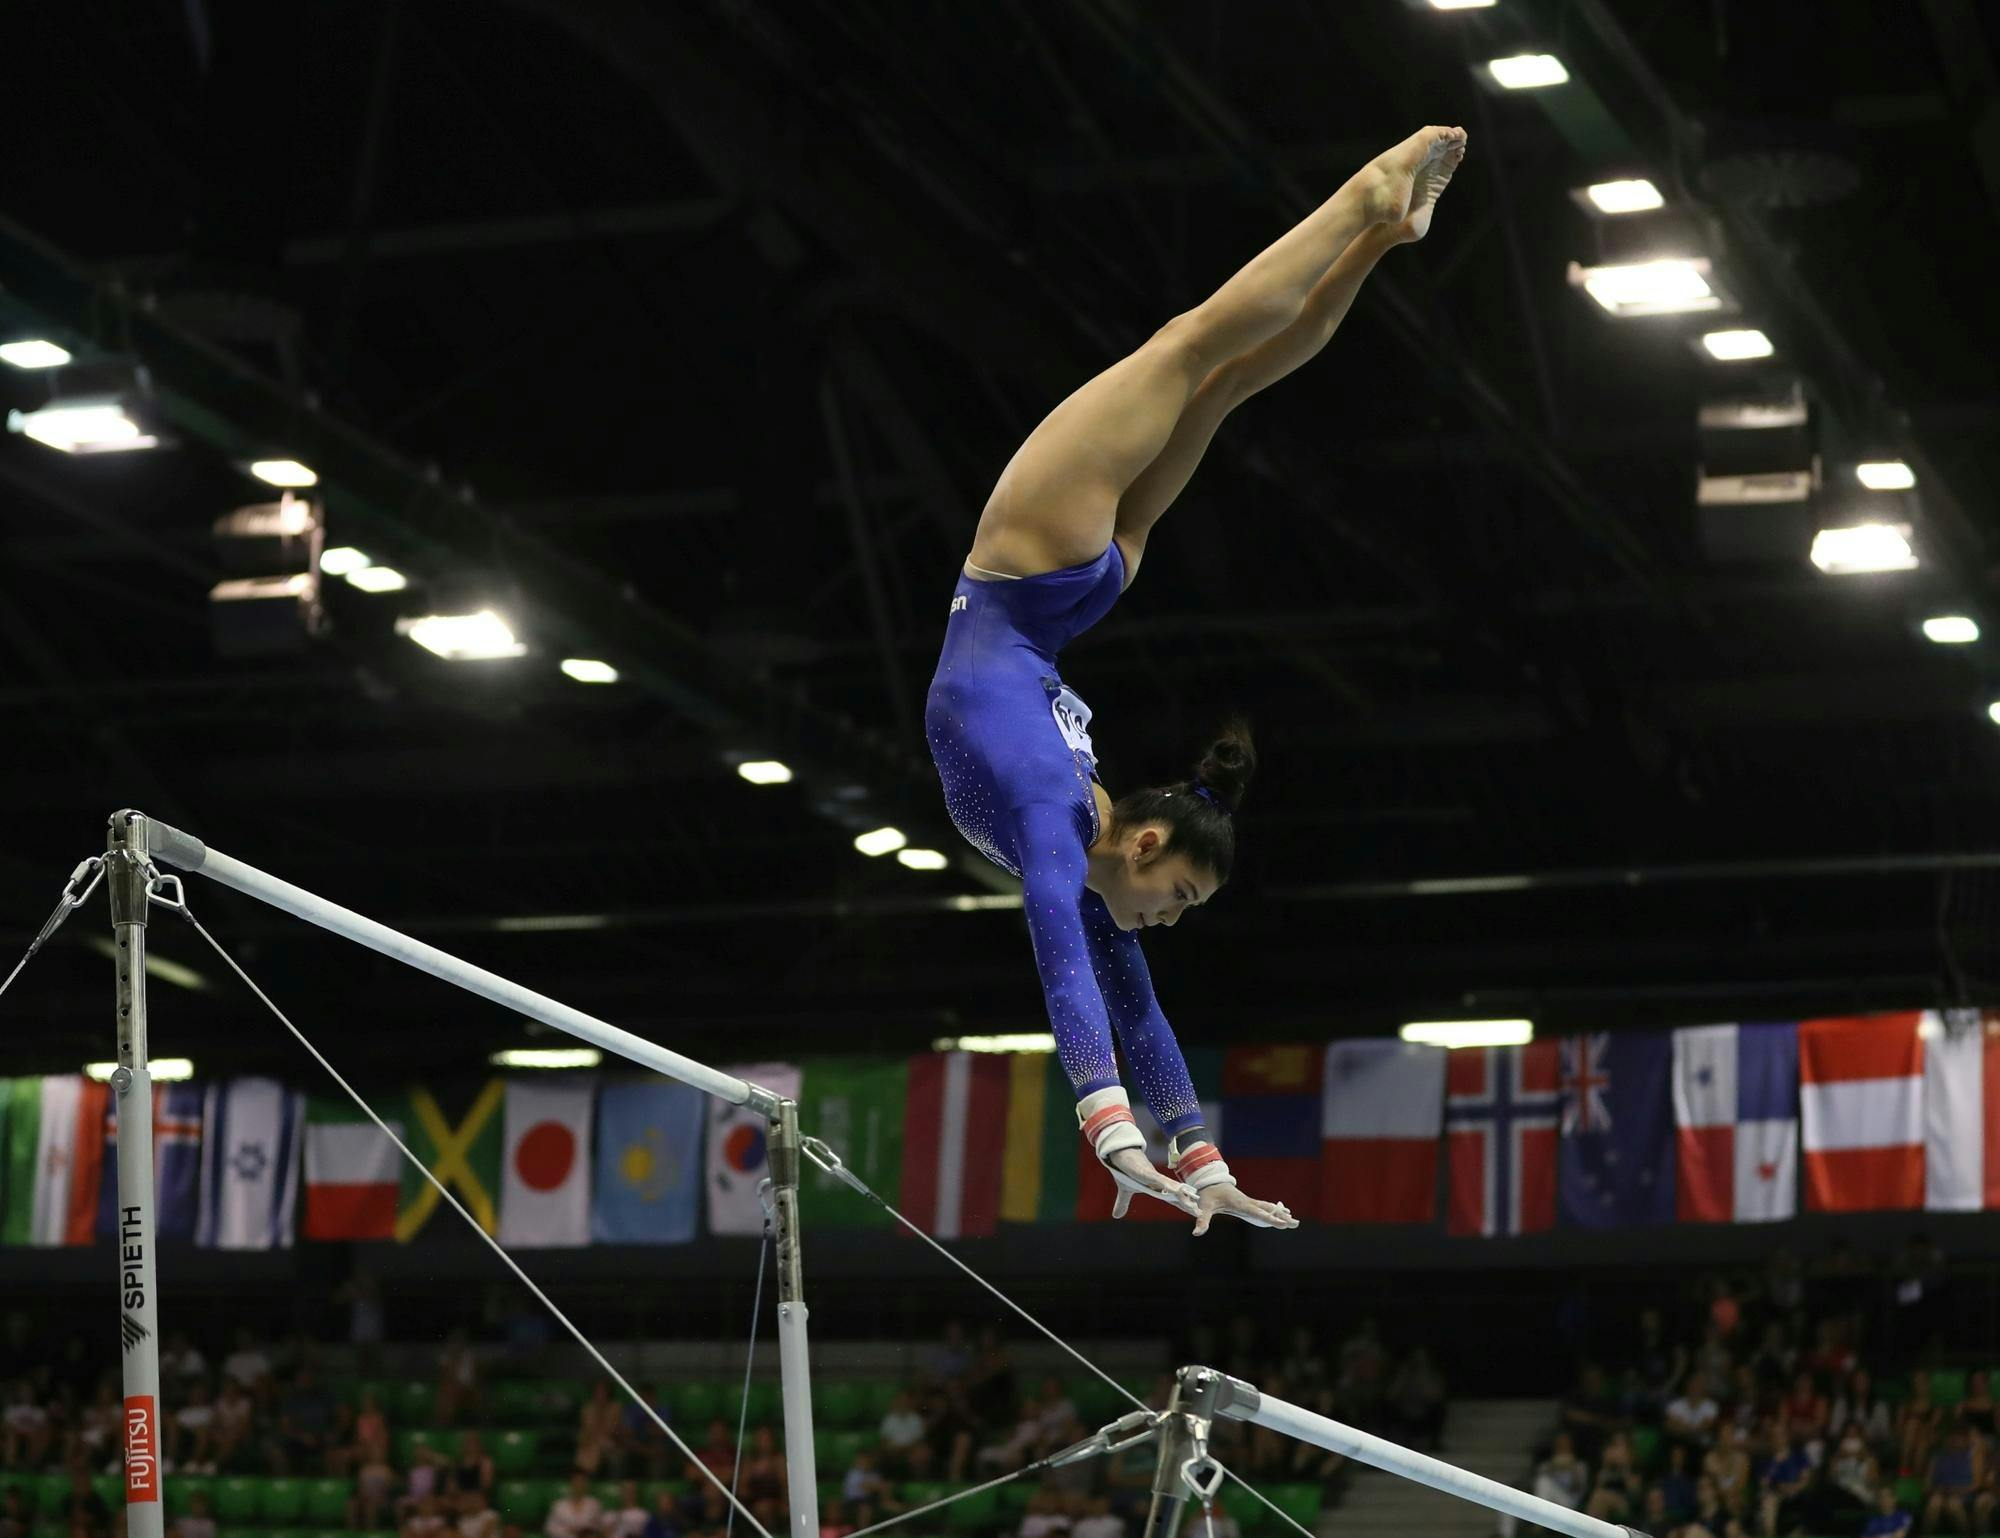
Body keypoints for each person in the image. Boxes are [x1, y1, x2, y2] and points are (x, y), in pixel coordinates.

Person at [924, 125, 1468, 1232]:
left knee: (1192, 353)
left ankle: (1366, 206)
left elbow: (1071, 974)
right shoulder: (1078, 829)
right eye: (1177, 903)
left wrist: (1147, 1138)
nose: (1162, 921)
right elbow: (1131, 1001)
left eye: (1169, 899)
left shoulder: (1049, 823)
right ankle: (1376, 228)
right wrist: (1166, 1145)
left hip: (1026, 564)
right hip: (1058, 598)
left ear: (1140, 842)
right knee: (1211, 384)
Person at [1923, 1425, 1984, 1536]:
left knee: (1953, 1504)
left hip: (1963, 1494)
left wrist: (1957, 1490)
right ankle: (1926, 1534)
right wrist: (1937, 1490)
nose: (1955, 1440)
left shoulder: (1973, 1456)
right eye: (1953, 1436)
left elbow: (1977, 1484)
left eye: (1959, 1437)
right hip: (1941, 1492)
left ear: (1965, 1439)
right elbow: (1927, 1486)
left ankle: (1967, 1534)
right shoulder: (1937, 1457)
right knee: (1934, 1503)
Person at [545, 1473, 603, 1538]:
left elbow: (599, 1526)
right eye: (576, 1482)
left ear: (586, 1484)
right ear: (571, 1484)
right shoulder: (559, 1505)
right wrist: (568, 1530)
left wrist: (584, 1531)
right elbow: (550, 1528)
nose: (579, 1485)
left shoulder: (594, 1504)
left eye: (582, 1482)